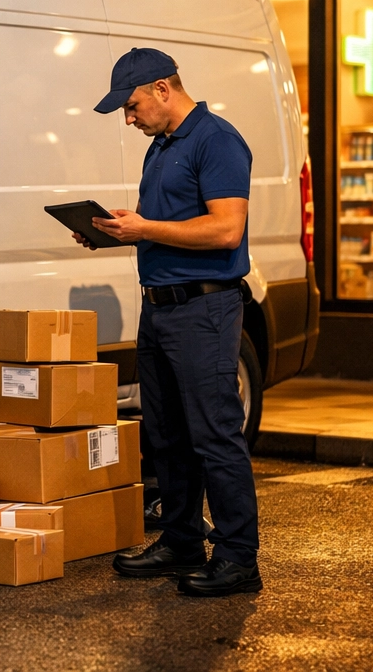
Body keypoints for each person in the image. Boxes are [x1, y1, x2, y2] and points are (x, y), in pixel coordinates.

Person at [74, 47, 262, 597]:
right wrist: (113, 231)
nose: (128, 120)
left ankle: (238, 558)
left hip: (204, 308)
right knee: (167, 436)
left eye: (131, 107)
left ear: (162, 88)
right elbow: (165, 227)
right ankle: (182, 539)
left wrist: (146, 229)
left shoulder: (216, 140)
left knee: (214, 435)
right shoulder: (161, 147)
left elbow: (226, 230)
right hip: (160, 309)